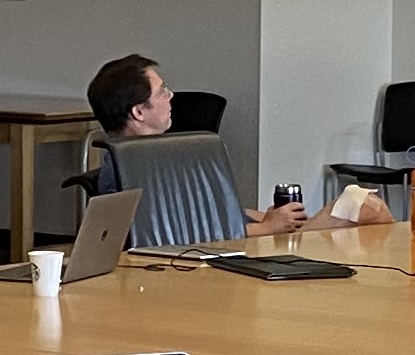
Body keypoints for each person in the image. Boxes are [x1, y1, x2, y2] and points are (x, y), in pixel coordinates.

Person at [84, 52, 306, 236]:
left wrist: (266, 219)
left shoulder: (159, 155)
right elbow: (180, 233)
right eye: (162, 91)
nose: (170, 96)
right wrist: (268, 227)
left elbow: (209, 212)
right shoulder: (132, 169)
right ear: (139, 111)